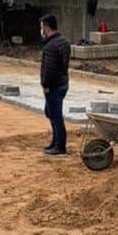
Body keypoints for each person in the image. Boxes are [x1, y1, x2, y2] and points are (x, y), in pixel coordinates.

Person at [39, 14, 70, 156]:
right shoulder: (63, 42)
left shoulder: (50, 46)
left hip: (54, 85)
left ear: (46, 27)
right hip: (62, 83)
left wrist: (45, 84)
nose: (41, 30)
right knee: (50, 112)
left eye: (41, 27)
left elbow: (49, 69)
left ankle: (60, 146)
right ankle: (55, 141)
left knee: (55, 116)